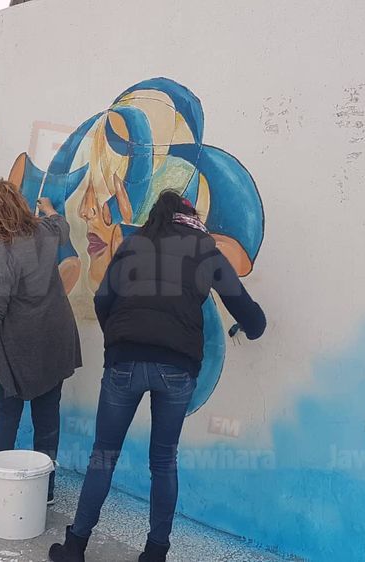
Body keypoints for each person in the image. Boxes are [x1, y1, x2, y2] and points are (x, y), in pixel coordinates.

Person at [48, 191, 267, 562]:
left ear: (155, 217)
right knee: (164, 461)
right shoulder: (205, 249)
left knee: (103, 455)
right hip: (176, 367)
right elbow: (249, 315)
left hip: (125, 360)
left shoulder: (133, 245)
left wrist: (118, 338)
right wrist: (252, 326)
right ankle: (155, 553)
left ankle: (75, 546)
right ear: (190, 217)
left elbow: (102, 301)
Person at [0, 180, 81, 509]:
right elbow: (62, 226)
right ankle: (45, 489)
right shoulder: (46, 232)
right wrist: (48, 209)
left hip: (17, 351)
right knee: (47, 421)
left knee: (5, 421)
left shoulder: (1, 254)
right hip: (55, 342)